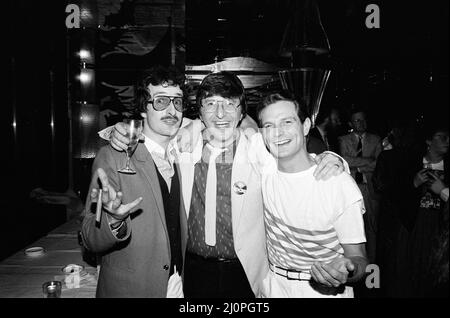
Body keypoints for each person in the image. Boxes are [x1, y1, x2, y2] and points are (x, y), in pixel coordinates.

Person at [107, 71, 347, 298]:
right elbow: (148, 131)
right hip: (193, 270)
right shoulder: (183, 146)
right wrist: (115, 131)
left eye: (230, 103)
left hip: (244, 272)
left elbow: (296, 158)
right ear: (199, 113)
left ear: (242, 112)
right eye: (210, 104)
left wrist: (332, 159)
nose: (220, 114)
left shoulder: (258, 149)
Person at [246, 92, 368, 298]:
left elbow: (360, 261)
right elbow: (230, 119)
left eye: (287, 122)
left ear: (305, 125)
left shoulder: (338, 184)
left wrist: (345, 270)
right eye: (269, 126)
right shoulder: (265, 165)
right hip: (273, 287)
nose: (278, 133)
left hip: (323, 292)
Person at [81, 65, 188, 297]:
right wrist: (114, 220)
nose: (172, 110)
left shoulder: (187, 152)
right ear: (143, 109)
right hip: (133, 288)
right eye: (160, 101)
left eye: (177, 102)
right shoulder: (112, 156)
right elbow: (89, 236)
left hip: (179, 285)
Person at [408, 125, 448, 297]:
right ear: (428, 141)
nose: (448, 141)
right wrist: (414, 184)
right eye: (442, 137)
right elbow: (396, 195)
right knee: (415, 264)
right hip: (417, 222)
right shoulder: (411, 163)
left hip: (442, 224)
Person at [339, 109, 382, 263]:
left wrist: (358, 167)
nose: (361, 123)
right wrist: (367, 160)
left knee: (372, 227)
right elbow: (345, 160)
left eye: (363, 120)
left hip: (370, 188)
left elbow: (379, 163)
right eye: (357, 120)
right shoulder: (343, 140)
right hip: (352, 189)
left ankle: (371, 265)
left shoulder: (376, 139)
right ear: (350, 123)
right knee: (353, 227)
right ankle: (356, 262)